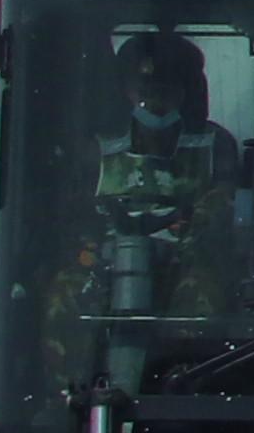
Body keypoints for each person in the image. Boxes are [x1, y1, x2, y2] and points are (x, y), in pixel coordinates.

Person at [87, 29, 239, 314]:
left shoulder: (215, 147)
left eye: (165, 91)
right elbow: (76, 219)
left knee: (201, 296)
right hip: (106, 262)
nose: (154, 102)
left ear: (186, 92)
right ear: (125, 90)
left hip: (187, 263)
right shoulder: (98, 149)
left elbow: (220, 215)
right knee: (67, 295)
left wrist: (182, 227)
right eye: (144, 92)